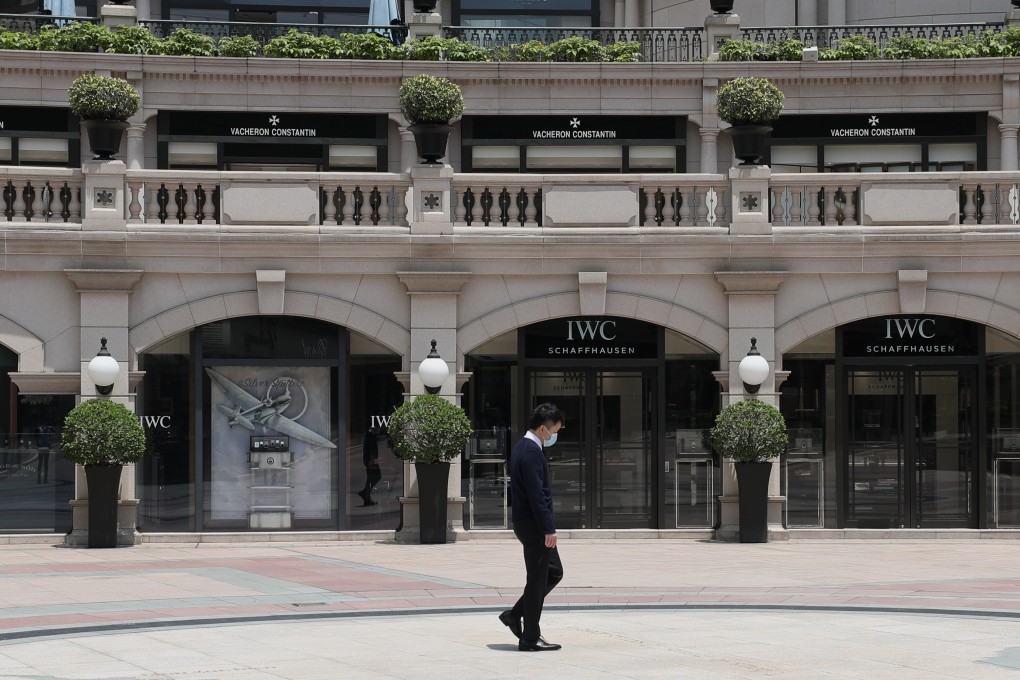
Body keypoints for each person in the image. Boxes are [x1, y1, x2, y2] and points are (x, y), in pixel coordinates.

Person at [500, 403, 564, 652]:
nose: (555, 436)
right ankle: (529, 638)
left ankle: (515, 615)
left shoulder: (526, 447)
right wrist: (548, 529)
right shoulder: (529, 452)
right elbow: (537, 496)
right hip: (535, 527)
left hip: (532, 525)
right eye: (555, 431)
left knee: (553, 572)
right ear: (542, 429)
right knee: (537, 580)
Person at [358, 428, 382, 506]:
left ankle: (366, 495)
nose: (380, 430)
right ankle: (366, 495)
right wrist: (372, 462)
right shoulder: (370, 436)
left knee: (372, 478)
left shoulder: (370, 435)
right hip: (370, 461)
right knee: (375, 477)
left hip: (371, 461)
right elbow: (371, 450)